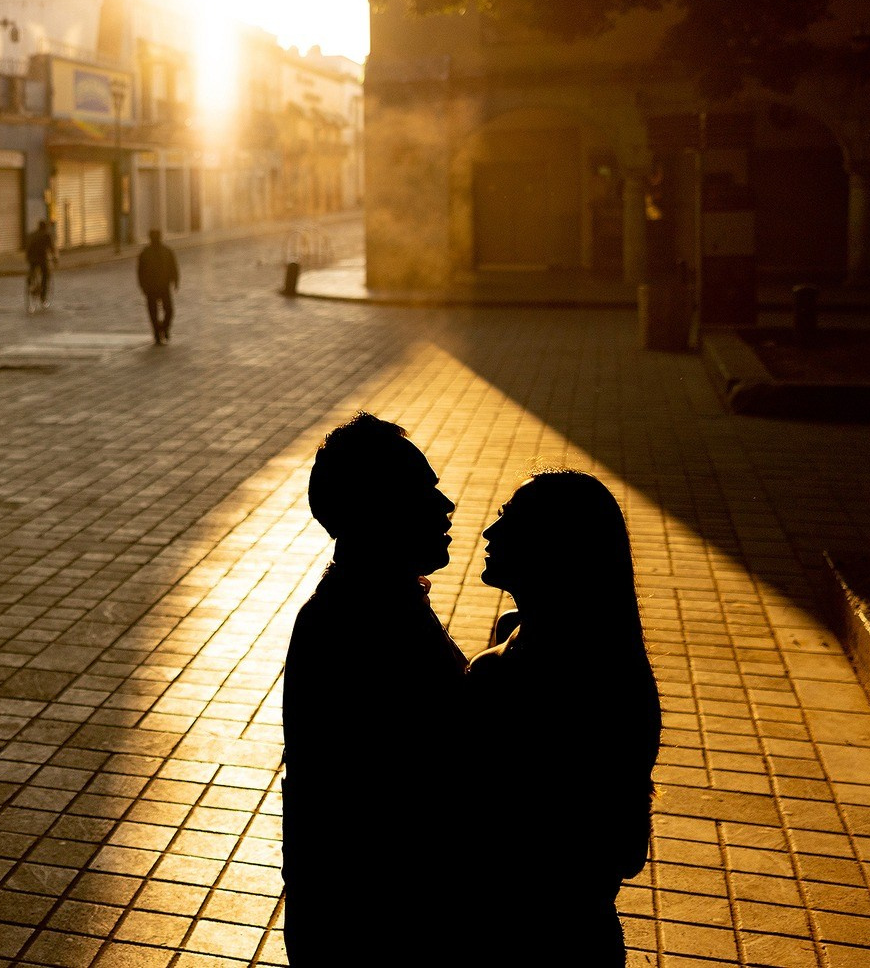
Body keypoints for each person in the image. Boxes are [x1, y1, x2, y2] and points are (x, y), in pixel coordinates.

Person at [283, 413, 463, 967]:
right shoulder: (364, 625)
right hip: (375, 926)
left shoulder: (381, 602)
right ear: (376, 513)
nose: (446, 505)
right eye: (421, 491)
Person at [466, 472, 661, 965]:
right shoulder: (609, 653)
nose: (489, 535)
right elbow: (627, 849)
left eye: (509, 523)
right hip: (583, 927)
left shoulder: (518, 673)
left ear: (554, 548)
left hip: (527, 936)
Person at [136, 229, 179, 343]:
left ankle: (163, 328)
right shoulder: (145, 253)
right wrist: (143, 286)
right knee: (153, 312)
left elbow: (173, 267)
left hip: (164, 286)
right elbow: (141, 272)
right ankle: (157, 333)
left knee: (168, 310)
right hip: (151, 287)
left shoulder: (167, 251)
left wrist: (175, 280)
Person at [24, 218, 56, 310]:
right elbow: (52, 249)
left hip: (31, 259)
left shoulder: (32, 234)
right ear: (45, 227)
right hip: (42, 259)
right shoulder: (47, 235)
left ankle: (30, 283)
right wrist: (54, 259)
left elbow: (27, 247)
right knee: (46, 275)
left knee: (32, 271)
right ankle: (43, 298)